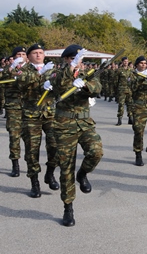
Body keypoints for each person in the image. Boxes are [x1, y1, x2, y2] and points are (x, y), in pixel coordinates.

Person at [51, 44, 104, 226]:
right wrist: (70, 72)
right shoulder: (58, 74)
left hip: (84, 123)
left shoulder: (87, 74)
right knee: (66, 167)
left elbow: (97, 88)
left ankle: (82, 174)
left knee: (96, 152)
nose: (80, 62)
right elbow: (57, 85)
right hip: (64, 125)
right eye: (76, 59)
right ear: (68, 59)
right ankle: (68, 207)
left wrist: (85, 86)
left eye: (81, 59)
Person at [14, 43, 59, 197]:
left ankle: (50, 173)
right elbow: (21, 82)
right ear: (28, 56)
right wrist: (40, 74)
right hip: (31, 115)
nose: (38, 55)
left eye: (41, 52)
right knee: (32, 150)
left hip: (50, 114)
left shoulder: (53, 70)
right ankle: (34, 182)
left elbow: (61, 84)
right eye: (35, 53)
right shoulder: (23, 69)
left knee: (56, 146)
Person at [2, 46, 27, 177]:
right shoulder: (8, 69)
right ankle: (15, 164)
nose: (21, 56)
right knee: (14, 136)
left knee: (30, 139)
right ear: (14, 56)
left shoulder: (31, 69)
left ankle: (30, 164)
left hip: (29, 107)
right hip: (13, 107)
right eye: (19, 54)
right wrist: (12, 69)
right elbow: (2, 80)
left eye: (23, 53)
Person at [115, 57, 133, 125]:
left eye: (127, 61)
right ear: (122, 62)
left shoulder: (131, 70)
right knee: (121, 104)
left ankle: (130, 118)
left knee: (130, 104)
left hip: (129, 89)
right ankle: (119, 118)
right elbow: (116, 80)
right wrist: (117, 89)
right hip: (121, 89)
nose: (126, 62)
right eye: (125, 61)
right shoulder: (119, 70)